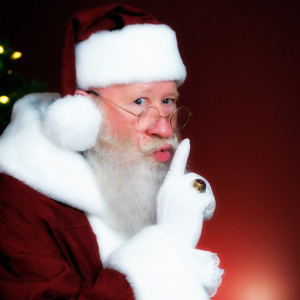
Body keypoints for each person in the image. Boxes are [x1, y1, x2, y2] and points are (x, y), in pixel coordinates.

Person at [0, 3, 223, 299]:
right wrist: (168, 245)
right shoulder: (15, 208)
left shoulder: (128, 177)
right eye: (140, 102)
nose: (165, 129)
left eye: (168, 101)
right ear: (85, 111)